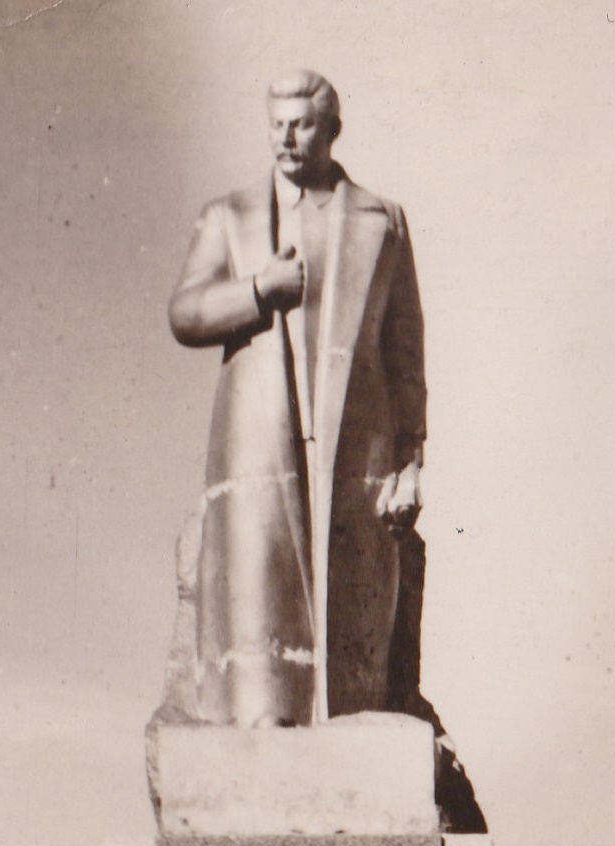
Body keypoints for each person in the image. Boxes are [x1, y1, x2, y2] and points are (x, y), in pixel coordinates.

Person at [169, 71, 426, 724]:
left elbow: (404, 348)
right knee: (259, 614)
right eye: (275, 122)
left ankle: (350, 733)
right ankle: (259, 736)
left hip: (354, 443)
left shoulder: (382, 220)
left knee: (356, 622)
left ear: (330, 128)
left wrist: (410, 457)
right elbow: (185, 312)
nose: (285, 136)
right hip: (259, 440)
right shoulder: (228, 216)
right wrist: (257, 290)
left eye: (301, 123)